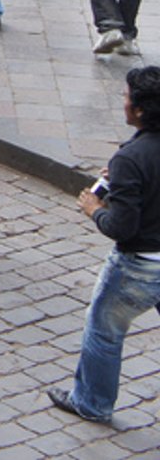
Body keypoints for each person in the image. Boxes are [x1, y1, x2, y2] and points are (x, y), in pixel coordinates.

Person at [50, 65, 160, 424]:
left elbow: (122, 227)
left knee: (104, 330)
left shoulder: (131, 158)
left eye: (127, 98)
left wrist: (95, 210)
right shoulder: (133, 156)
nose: (123, 103)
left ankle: (92, 402)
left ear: (141, 110)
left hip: (139, 265)